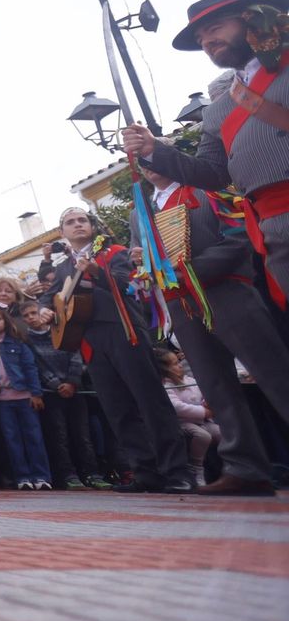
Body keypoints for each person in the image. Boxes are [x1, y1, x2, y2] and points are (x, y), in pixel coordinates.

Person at [123, 0, 289, 304]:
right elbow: (212, 174)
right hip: (273, 232)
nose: (207, 42)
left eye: (214, 29)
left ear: (249, 18)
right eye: (201, 39)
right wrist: (152, 150)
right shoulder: (219, 109)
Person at [144, 166, 286, 495]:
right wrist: (147, 269)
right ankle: (246, 468)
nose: (150, 168)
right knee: (216, 386)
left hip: (227, 291)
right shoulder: (143, 210)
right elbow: (148, 265)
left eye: (155, 157)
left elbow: (238, 238)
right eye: (143, 162)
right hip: (182, 304)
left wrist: (187, 272)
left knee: (274, 373)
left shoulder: (208, 189)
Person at [39, 208, 191, 493]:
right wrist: (44, 310)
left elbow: (131, 285)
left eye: (82, 220)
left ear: (92, 226)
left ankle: (177, 472)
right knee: (117, 408)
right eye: (70, 222)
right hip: (89, 341)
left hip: (124, 331)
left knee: (151, 402)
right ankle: (145, 471)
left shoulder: (114, 252)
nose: (77, 225)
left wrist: (97, 272)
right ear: (63, 233)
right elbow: (49, 297)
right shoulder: (62, 268)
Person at [20, 300, 105, 488]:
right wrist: (57, 384)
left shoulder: (61, 331)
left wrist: (72, 382)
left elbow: (75, 355)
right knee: (59, 435)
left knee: (83, 434)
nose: (31, 318)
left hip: (75, 388)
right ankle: (68, 474)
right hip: (51, 391)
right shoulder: (27, 340)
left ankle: (92, 473)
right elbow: (36, 365)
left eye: (34, 313)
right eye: (26, 316)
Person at [0, 303, 50, 490]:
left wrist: (35, 393)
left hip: (24, 396)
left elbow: (30, 368)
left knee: (34, 436)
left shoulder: (18, 342)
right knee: (12, 439)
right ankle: (22, 476)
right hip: (1, 400)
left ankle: (41, 476)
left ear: (5, 321)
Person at [156, 348, 218, 488]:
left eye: (178, 362)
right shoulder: (166, 385)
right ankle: (196, 469)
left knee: (222, 433)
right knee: (203, 436)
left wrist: (207, 402)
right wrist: (203, 412)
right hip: (183, 422)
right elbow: (177, 407)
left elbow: (203, 393)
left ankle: (224, 469)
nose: (179, 366)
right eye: (173, 364)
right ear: (164, 368)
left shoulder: (189, 380)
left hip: (202, 421)